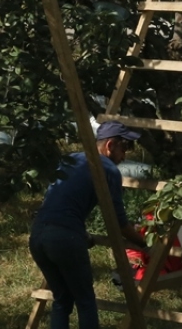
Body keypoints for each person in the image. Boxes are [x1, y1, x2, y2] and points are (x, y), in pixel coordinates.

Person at [29, 121, 147, 329]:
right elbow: (119, 222)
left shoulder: (71, 159)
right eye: (124, 148)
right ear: (110, 145)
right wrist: (144, 242)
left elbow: (60, 200)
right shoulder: (108, 168)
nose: (125, 156)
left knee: (62, 299)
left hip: (38, 234)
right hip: (65, 237)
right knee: (85, 300)